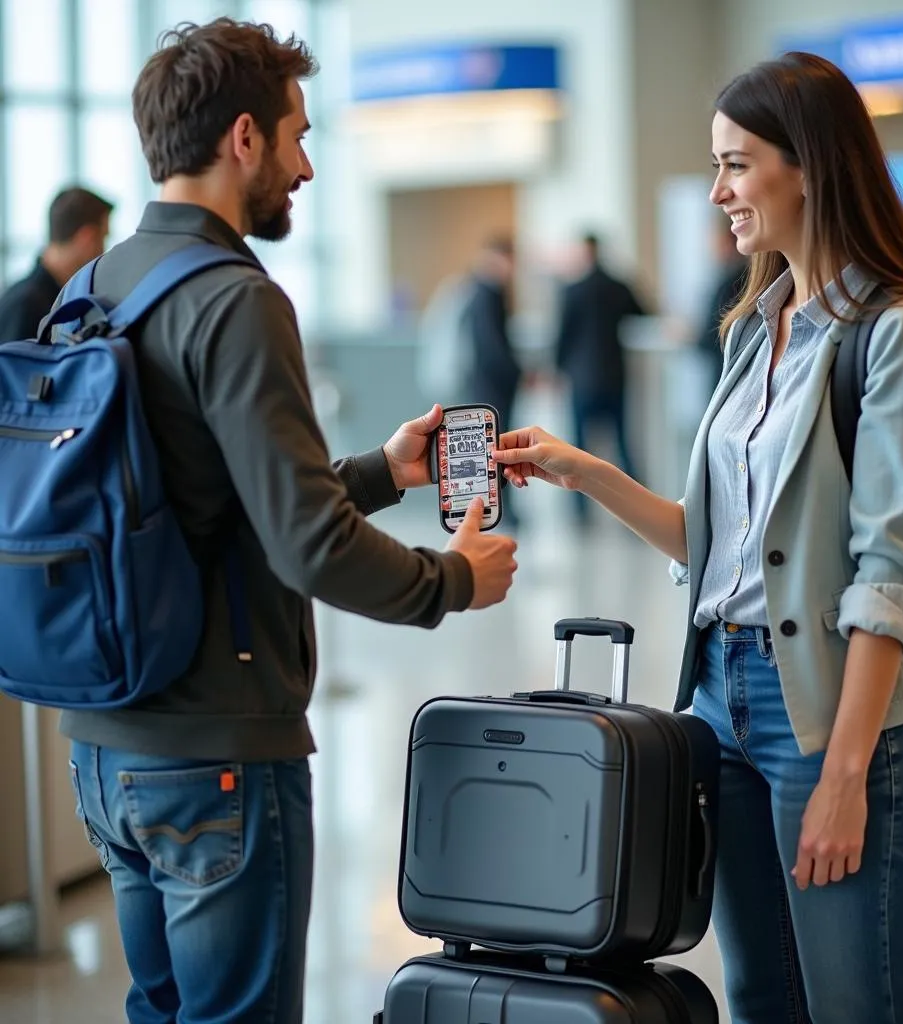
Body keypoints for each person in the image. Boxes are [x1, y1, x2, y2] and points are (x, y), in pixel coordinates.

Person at [60, 20, 517, 1024]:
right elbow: (304, 543)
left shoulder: (95, 289)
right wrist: (453, 579)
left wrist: (378, 473)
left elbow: (205, 500)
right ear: (243, 139)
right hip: (217, 748)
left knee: (163, 1009)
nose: (306, 166)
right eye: (297, 135)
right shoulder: (234, 299)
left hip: (105, 750)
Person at [494, 51, 903, 1024]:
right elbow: (718, 551)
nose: (717, 192)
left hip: (838, 717)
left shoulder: (897, 331)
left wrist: (842, 771)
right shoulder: (756, 326)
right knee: (759, 1000)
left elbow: (889, 571)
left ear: (811, 166)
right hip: (720, 697)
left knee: (851, 1008)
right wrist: (584, 471)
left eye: (736, 164)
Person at [553, 232, 645, 525]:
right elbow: (643, 313)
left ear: (584, 252)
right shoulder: (618, 286)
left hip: (581, 378)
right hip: (614, 375)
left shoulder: (572, 290)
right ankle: (637, 507)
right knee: (622, 441)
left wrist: (556, 369)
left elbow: (562, 336)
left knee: (578, 447)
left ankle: (581, 514)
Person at [0, 186, 112, 342]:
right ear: (87, 238)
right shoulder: (27, 306)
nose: (104, 250)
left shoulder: (52, 297)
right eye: (104, 237)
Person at [463, 235, 522, 527]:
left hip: (487, 382)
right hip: (492, 385)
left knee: (493, 445)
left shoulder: (478, 290)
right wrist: (519, 372)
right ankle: (500, 508)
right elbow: (493, 346)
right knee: (496, 446)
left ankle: (499, 506)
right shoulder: (488, 293)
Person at [694, 216, 748, 400]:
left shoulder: (730, 282)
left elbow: (712, 338)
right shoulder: (744, 275)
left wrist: (689, 335)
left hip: (727, 378)